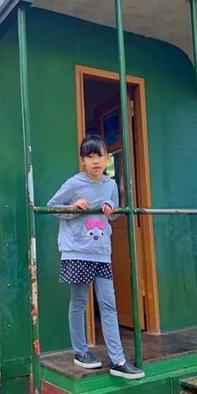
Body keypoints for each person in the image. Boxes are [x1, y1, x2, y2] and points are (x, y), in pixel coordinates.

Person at [47, 134, 145, 380]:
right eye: (90, 156)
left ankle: (118, 360)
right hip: (77, 252)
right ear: (82, 160)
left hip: (102, 253)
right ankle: (80, 352)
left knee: (109, 304)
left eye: (100, 155)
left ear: (107, 157)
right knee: (79, 301)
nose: (95, 161)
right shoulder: (73, 183)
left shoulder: (110, 185)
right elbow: (51, 207)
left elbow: (112, 216)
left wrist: (111, 212)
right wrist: (73, 208)